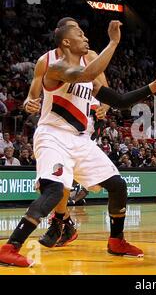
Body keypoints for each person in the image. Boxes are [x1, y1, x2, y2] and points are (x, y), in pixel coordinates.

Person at [0, 20, 156, 267]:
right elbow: (82, 74)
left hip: (80, 139)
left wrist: (154, 86)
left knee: (118, 185)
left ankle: (116, 241)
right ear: (66, 42)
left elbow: (119, 101)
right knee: (54, 190)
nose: (86, 37)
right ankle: (10, 247)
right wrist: (114, 42)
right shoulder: (56, 67)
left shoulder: (89, 78)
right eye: (80, 34)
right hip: (53, 135)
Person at [23, 17, 110, 248]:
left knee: (61, 175)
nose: (80, 34)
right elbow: (33, 93)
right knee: (54, 178)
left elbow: (105, 88)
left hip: (84, 118)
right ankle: (63, 221)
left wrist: (106, 107)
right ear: (63, 36)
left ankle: (60, 221)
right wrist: (29, 102)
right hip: (55, 120)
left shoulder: (90, 56)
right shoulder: (46, 61)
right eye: (74, 30)